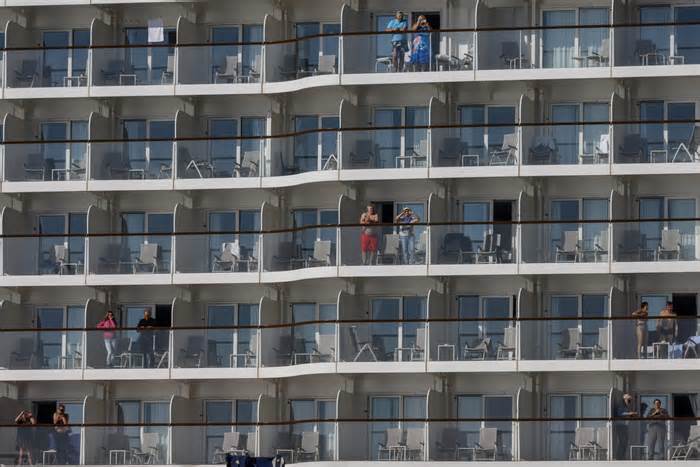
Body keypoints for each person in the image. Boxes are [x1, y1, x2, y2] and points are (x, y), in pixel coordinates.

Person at [614, 393, 638, 460]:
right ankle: (619, 457)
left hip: (625, 426)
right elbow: (620, 413)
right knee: (622, 441)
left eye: (630, 400)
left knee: (625, 441)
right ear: (625, 399)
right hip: (620, 426)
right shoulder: (621, 405)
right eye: (629, 400)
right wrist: (630, 413)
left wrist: (631, 415)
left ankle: (622, 456)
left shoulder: (626, 407)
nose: (630, 401)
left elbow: (625, 414)